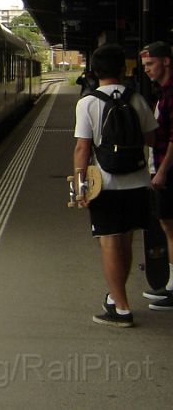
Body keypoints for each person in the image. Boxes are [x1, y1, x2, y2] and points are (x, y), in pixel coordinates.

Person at [73, 43, 157, 327]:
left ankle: (121, 308)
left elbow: (82, 149)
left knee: (108, 241)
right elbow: (151, 139)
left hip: (105, 184)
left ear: (94, 72)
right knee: (125, 239)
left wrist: (79, 186)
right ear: (124, 70)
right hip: (137, 181)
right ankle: (114, 296)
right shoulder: (138, 99)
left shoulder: (87, 102)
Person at [139, 40, 173, 310]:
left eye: (150, 64)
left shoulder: (171, 93)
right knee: (167, 227)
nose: (147, 70)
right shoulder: (162, 92)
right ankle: (171, 285)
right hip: (161, 167)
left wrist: (161, 171)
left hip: (168, 172)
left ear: (166, 61)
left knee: (170, 229)